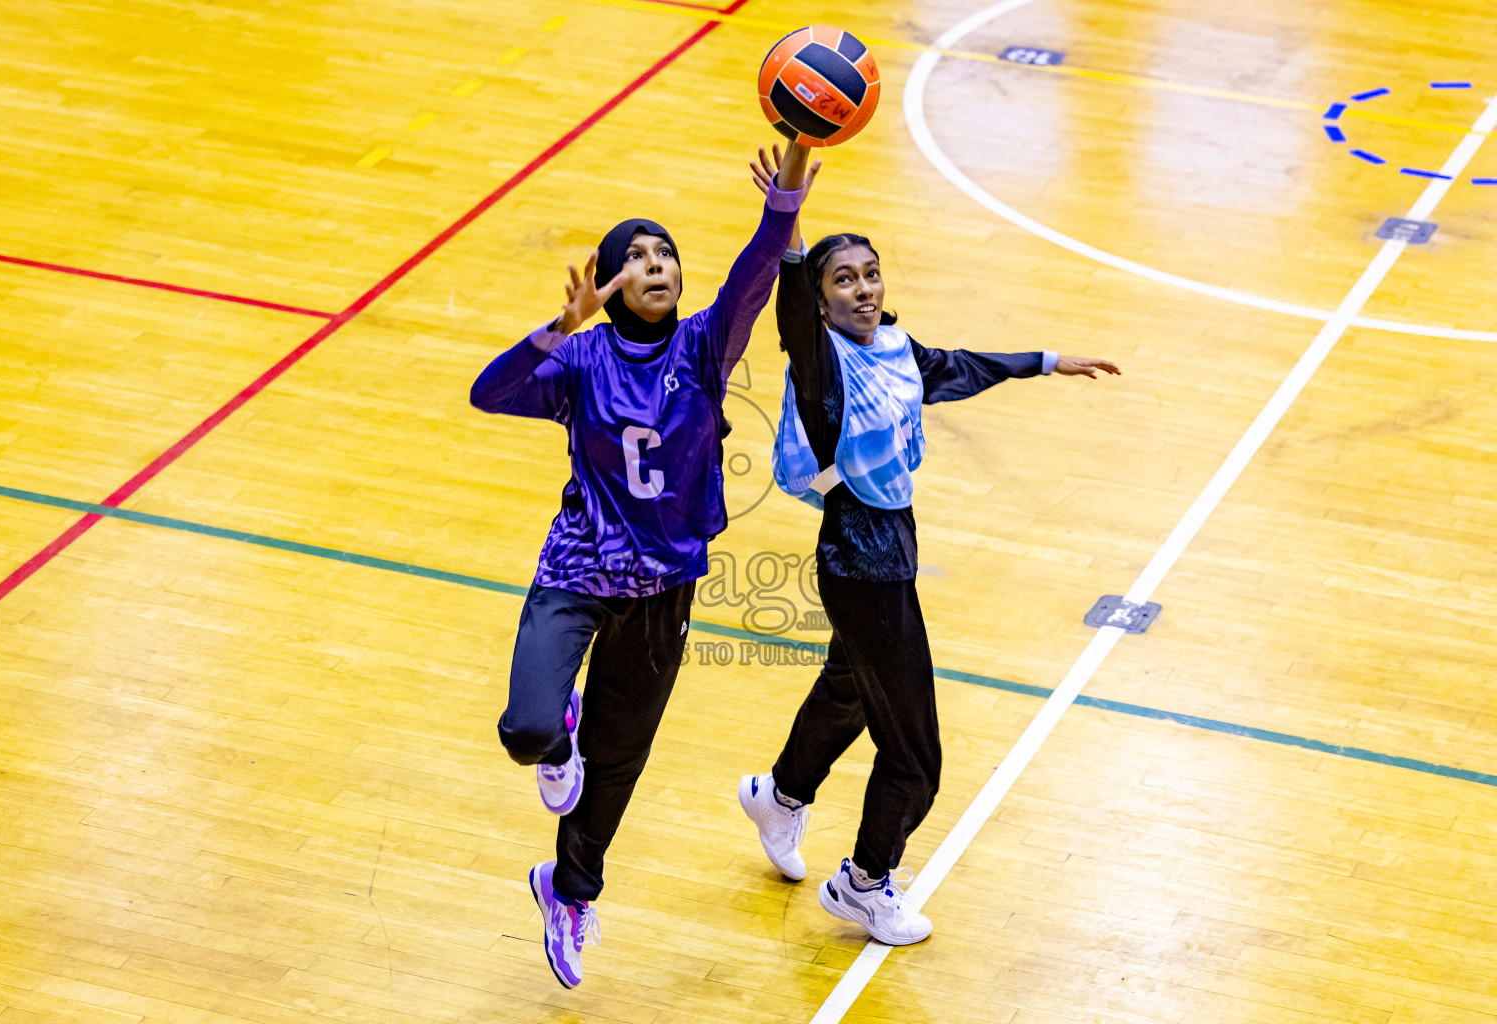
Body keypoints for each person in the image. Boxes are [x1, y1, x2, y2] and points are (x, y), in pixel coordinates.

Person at [737, 146, 1120, 946]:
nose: (863, 289)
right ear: (821, 297)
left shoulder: (897, 351)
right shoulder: (820, 363)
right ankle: (864, 883)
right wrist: (792, 195)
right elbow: (791, 288)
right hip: (860, 563)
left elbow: (964, 366)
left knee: (848, 689)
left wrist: (1050, 362)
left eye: (871, 273)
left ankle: (780, 794)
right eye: (844, 280)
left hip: (887, 556)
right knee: (915, 755)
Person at [469, 141, 819, 988]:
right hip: (579, 570)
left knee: (620, 762)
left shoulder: (704, 347)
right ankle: (561, 739)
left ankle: (569, 891)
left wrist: (792, 176)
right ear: (612, 281)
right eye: (637, 256)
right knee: (527, 732)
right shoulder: (582, 360)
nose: (656, 265)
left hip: (666, 585)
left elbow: (755, 273)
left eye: (666, 254)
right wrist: (562, 327)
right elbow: (490, 391)